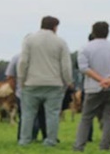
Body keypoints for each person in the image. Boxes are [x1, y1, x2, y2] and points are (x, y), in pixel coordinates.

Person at [73, 21, 110, 152]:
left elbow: (83, 68)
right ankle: (105, 146)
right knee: (109, 117)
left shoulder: (85, 48)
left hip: (93, 88)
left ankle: (79, 146)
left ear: (93, 32)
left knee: (86, 117)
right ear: (108, 32)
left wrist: (101, 80)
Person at [17, 15, 73, 147]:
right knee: (52, 114)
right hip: (54, 83)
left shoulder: (29, 40)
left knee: (28, 114)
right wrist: (68, 81)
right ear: (55, 27)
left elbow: (23, 62)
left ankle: (25, 140)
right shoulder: (60, 42)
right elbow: (65, 65)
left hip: (31, 82)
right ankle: (50, 140)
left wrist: (22, 80)